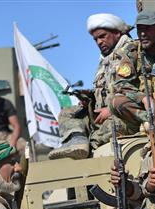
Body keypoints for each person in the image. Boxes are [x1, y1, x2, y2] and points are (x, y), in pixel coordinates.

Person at [49, 13, 134, 160]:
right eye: (96, 39)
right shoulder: (105, 60)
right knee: (67, 113)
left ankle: (85, 148)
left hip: (124, 115)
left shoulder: (132, 53)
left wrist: (112, 110)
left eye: (103, 36)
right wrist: (90, 98)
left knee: (95, 138)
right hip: (102, 114)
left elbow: (138, 90)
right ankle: (77, 142)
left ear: (117, 33)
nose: (99, 42)